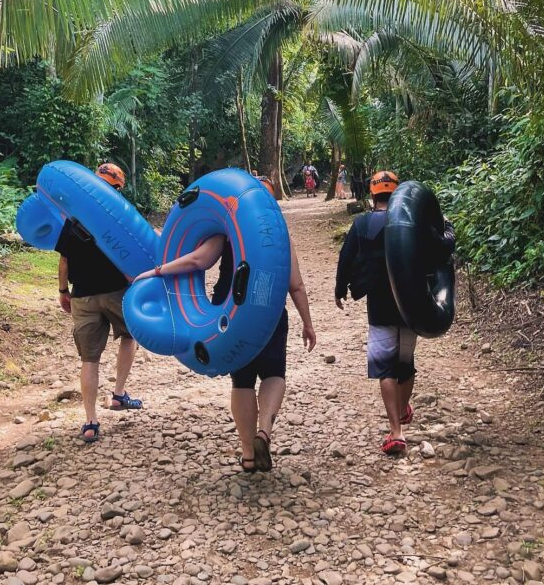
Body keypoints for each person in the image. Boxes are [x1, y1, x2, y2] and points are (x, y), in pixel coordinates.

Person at [134, 176, 316, 472]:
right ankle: (264, 433)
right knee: (274, 373)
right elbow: (296, 285)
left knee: (242, 380)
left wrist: (158, 271)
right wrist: (308, 323)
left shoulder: (228, 232)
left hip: (229, 316)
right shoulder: (279, 236)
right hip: (270, 316)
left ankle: (247, 453)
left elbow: (198, 260)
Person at [334, 170, 454, 455]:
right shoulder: (414, 224)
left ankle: (396, 431)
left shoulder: (361, 223)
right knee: (404, 362)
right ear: (399, 193)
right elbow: (441, 248)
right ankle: (402, 410)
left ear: (372, 196)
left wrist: (339, 289)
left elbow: (346, 258)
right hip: (412, 302)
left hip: (379, 305)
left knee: (385, 366)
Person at [56, 163, 143, 443]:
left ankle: (91, 422)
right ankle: (118, 394)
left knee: (89, 359)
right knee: (130, 336)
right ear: (117, 187)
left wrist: (62, 291)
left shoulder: (73, 219)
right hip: (116, 293)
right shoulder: (120, 217)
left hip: (82, 296)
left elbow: (64, 261)